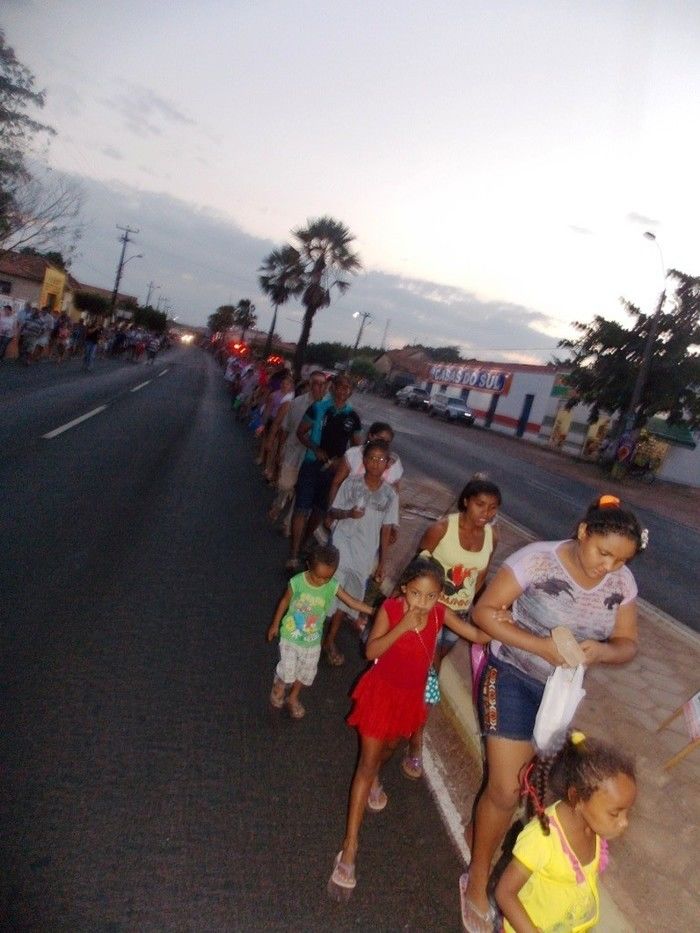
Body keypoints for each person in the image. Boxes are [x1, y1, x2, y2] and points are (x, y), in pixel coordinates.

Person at [460, 494, 646, 933]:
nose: (609, 568)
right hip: (510, 675)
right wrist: (541, 646)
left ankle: (504, 851)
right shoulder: (538, 562)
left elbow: (628, 644)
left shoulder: (623, 584)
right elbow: (484, 612)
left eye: (620, 561)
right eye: (604, 552)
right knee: (506, 789)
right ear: (584, 532)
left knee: (534, 788)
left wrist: (601, 651)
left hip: (559, 694)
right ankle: (479, 876)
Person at [327, 557, 491, 901]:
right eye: (416, 593)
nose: (422, 602)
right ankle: (350, 847)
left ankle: (374, 777)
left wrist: (498, 616)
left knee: (388, 750)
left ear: (439, 596)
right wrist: (402, 626)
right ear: (405, 589)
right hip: (380, 694)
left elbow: (477, 634)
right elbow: (371, 649)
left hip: (409, 699)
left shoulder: (439, 613)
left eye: (430, 596)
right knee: (368, 762)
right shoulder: (390, 608)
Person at [403, 476, 502, 781]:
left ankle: (407, 702)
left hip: (457, 617)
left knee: (431, 666)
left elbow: (480, 577)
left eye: (492, 508)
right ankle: (415, 742)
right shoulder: (441, 530)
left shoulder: (491, 537)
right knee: (430, 674)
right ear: (465, 502)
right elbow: (415, 570)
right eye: (479, 504)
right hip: (430, 612)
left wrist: (471, 609)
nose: (485, 513)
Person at [494, 731, 636, 933]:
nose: (624, 823)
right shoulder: (543, 838)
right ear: (577, 799)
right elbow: (505, 892)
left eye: (627, 812)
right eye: (615, 813)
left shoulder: (592, 829)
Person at [266, 543, 374, 720]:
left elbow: (351, 602)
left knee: (305, 673)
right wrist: (275, 624)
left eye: (327, 578)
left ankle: (293, 698)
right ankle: (280, 682)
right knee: (288, 670)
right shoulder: (297, 582)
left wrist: (373, 611)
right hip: (291, 637)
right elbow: (284, 602)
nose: (322, 582)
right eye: (318, 577)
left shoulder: (331, 585)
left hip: (312, 640)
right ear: (309, 566)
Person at [322, 438, 400, 666]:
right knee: (330, 590)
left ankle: (330, 640)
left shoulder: (390, 496)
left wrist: (382, 563)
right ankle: (309, 633)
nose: (376, 463)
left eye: (381, 460)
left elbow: (386, 530)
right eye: (371, 458)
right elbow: (334, 511)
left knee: (348, 599)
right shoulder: (351, 484)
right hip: (342, 545)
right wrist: (348, 514)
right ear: (364, 461)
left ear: (387, 465)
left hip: (365, 553)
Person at [287, 374, 362, 571]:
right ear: (332, 388)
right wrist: (315, 449)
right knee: (301, 508)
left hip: (332, 472)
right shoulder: (318, 408)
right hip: (312, 465)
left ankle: (302, 544)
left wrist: (341, 461)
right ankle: (293, 555)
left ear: (351, 391)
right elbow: (300, 432)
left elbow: (357, 447)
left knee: (319, 512)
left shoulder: (353, 417)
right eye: (340, 387)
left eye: (348, 388)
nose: (343, 391)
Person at [267, 372, 328, 531]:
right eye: (316, 383)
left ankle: (288, 523)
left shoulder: (328, 408)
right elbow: (286, 428)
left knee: (302, 490)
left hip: (312, 456)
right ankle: (279, 502)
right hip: (293, 451)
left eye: (323, 384)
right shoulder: (297, 402)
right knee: (286, 484)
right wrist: (280, 449)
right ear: (310, 384)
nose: (320, 387)